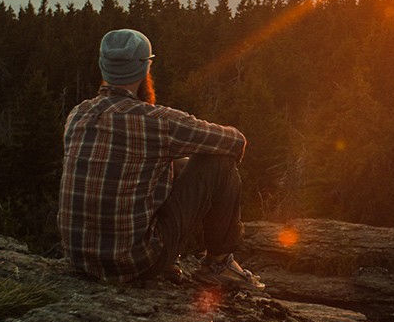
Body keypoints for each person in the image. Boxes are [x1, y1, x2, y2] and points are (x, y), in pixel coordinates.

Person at [58, 28, 263, 289]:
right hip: (136, 262)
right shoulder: (156, 121)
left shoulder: (78, 114)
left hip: (79, 259)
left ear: (103, 67)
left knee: (176, 165)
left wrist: (177, 165)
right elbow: (234, 142)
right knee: (219, 162)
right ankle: (219, 265)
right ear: (146, 68)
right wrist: (193, 169)